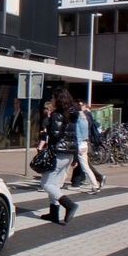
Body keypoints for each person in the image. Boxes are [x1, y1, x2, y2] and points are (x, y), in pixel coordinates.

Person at [39, 88, 80, 224]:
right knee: (55, 184)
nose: (51, 100)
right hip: (68, 153)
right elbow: (74, 137)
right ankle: (54, 213)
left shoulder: (57, 114)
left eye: (53, 98)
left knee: (46, 183)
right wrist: (75, 156)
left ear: (58, 99)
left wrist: (45, 132)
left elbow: (55, 135)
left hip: (58, 152)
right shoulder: (72, 114)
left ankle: (69, 205)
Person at [70, 100, 106, 191]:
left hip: (80, 145)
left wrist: (78, 147)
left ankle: (95, 184)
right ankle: (94, 183)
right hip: (85, 143)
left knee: (85, 167)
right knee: (84, 166)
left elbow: (78, 134)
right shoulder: (84, 117)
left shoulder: (78, 118)